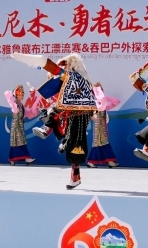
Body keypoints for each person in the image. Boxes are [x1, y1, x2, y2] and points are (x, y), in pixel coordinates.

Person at [11, 52, 96, 190]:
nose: (64, 67)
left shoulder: (70, 76)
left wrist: (29, 59)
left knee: (74, 145)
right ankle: (51, 131)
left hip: (77, 114)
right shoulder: (82, 79)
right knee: (55, 113)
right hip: (77, 113)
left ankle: (54, 134)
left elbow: (51, 67)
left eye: (66, 65)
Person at [87, 83, 120, 168]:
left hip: (101, 125)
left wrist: (105, 98)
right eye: (99, 90)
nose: (101, 92)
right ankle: (109, 161)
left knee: (99, 143)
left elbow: (116, 102)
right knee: (101, 143)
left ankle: (92, 161)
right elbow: (104, 104)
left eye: (101, 90)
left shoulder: (101, 103)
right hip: (99, 126)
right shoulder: (95, 102)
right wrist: (103, 98)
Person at [4, 85, 39, 165]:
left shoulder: (20, 104)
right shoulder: (15, 104)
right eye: (21, 94)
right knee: (19, 141)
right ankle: (26, 158)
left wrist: (35, 108)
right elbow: (15, 110)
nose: (22, 96)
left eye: (23, 94)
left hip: (19, 124)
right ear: (16, 95)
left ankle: (12, 159)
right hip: (16, 125)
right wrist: (13, 106)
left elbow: (26, 113)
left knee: (17, 142)